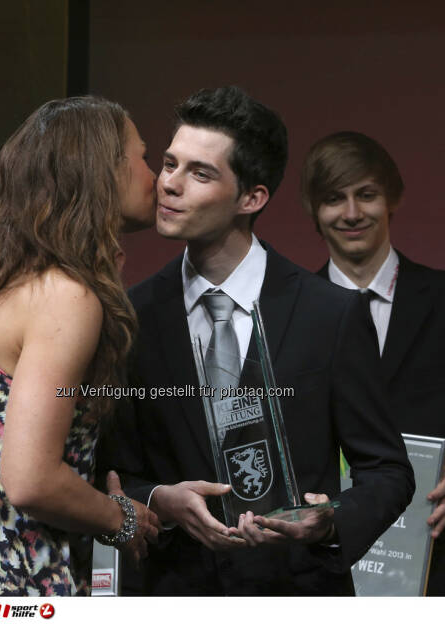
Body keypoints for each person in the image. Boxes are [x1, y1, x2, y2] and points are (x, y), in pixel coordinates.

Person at [97, 87, 414, 596]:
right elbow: (112, 470)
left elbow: (388, 471)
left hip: (298, 588)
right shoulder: (128, 315)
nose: (169, 185)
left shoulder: (329, 313)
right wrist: (158, 498)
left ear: (252, 198)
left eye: (200, 173)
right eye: (170, 163)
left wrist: (330, 520)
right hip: (176, 591)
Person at [0, 96, 161, 596]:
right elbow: (31, 478)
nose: (154, 175)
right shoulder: (66, 295)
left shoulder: (5, 282)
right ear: (103, 172)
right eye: (141, 157)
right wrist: (121, 518)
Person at [301, 130, 445, 595]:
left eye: (366, 195)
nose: (351, 213)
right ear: (314, 212)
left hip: (437, 554)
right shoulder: (285, 317)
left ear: (392, 199)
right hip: (322, 562)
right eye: (333, 199)